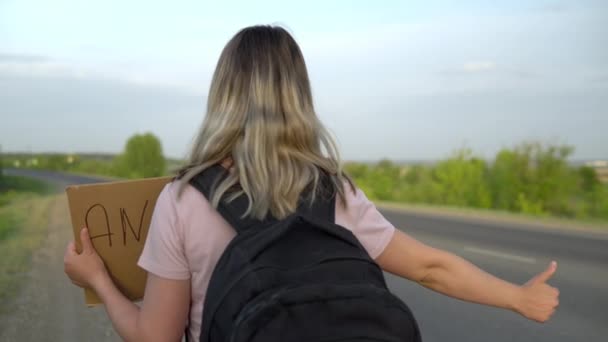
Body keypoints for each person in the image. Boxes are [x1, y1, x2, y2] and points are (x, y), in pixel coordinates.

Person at [64, 25, 559, 342]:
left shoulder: (184, 199)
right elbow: (430, 268)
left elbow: (157, 338)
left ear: (223, 96)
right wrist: (515, 297)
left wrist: (102, 283)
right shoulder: (333, 190)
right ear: (299, 94)